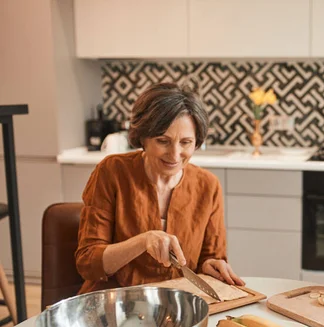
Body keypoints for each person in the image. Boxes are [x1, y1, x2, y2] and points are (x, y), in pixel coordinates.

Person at [76, 82, 244, 294]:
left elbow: (210, 258)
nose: (174, 155)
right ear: (143, 138)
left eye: (185, 142)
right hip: (114, 303)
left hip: (178, 304)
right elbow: (88, 263)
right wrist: (143, 241)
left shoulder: (208, 186)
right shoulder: (111, 172)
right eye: (163, 141)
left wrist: (210, 266)